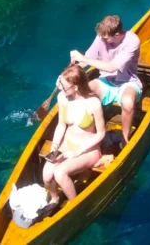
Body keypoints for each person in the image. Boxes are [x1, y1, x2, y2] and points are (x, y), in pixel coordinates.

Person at [41, 64, 106, 214]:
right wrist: (56, 144)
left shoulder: (93, 103)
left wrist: (76, 153)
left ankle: (75, 206)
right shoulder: (62, 98)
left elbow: (101, 134)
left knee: (60, 173)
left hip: (88, 149)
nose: (61, 89)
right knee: (47, 174)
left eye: (64, 86)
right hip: (67, 145)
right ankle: (54, 198)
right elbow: (61, 125)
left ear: (76, 87)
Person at [70, 15, 142, 146]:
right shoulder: (101, 37)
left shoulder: (132, 41)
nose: (103, 40)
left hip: (127, 82)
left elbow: (112, 67)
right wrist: (70, 71)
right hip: (106, 81)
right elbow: (87, 59)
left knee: (128, 102)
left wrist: (85, 59)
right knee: (82, 91)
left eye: (106, 38)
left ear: (117, 34)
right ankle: (88, 134)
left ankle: (124, 139)